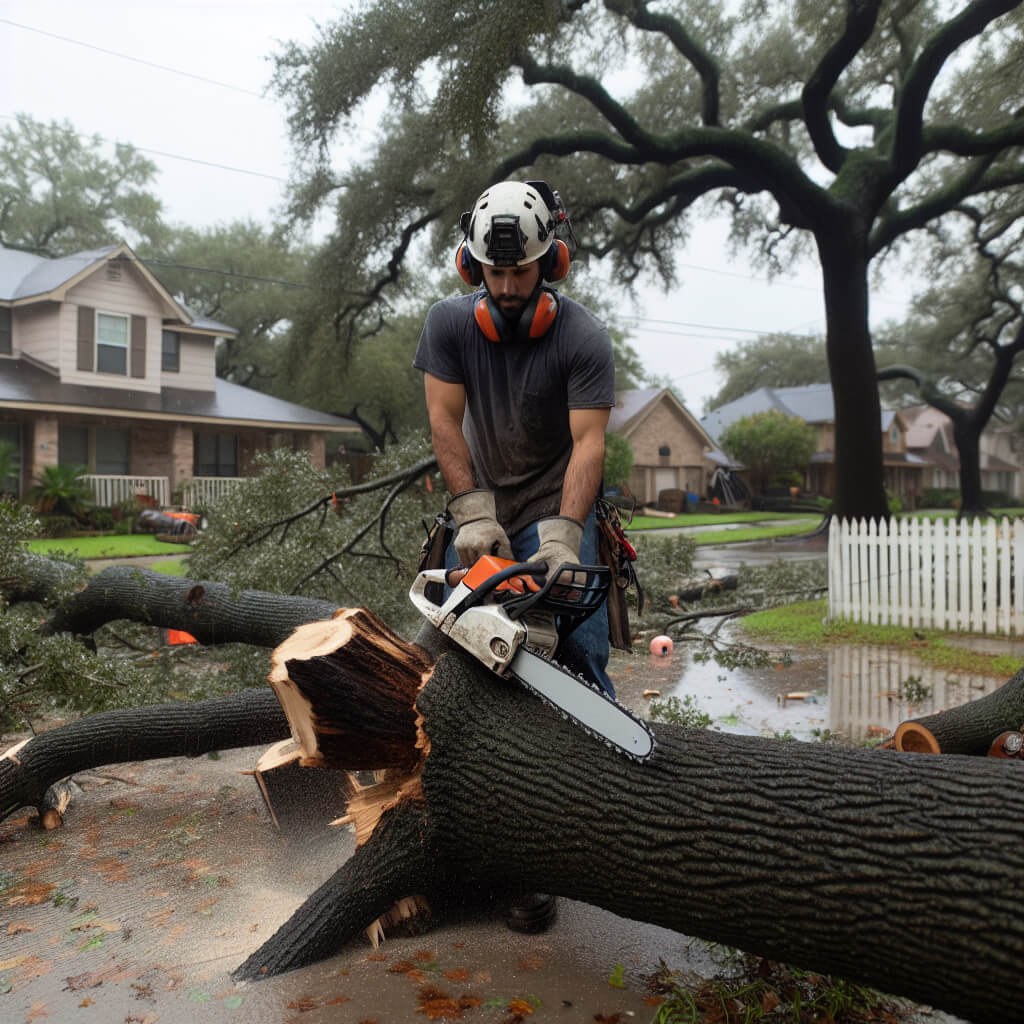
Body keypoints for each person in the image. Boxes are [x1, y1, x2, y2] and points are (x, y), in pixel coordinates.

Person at [413, 179, 616, 934]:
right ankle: (479, 836)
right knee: (457, 660)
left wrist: (564, 534)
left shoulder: (582, 336)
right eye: (492, 273)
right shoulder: (446, 326)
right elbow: (443, 419)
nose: (504, 288)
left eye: (519, 272)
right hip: (485, 508)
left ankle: (595, 825)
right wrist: (473, 515)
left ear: (549, 262)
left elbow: (589, 441)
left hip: (559, 503)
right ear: (471, 266)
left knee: (579, 656)